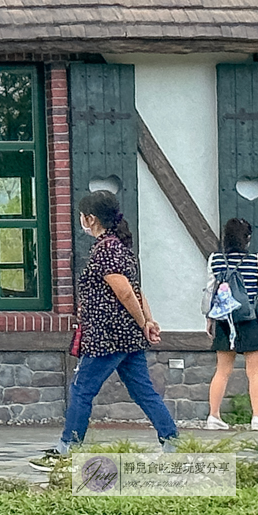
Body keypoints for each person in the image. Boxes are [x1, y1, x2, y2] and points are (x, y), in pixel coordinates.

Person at [32, 190, 179, 469]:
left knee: (81, 390)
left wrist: (143, 321)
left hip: (106, 335)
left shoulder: (105, 249)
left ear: (91, 218)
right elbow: (137, 290)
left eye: (82, 217)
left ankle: (67, 448)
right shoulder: (121, 247)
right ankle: (172, 439)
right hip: (126, 337)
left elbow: (124, 292)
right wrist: (147, 321)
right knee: (143, 390)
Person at [206, 216, 258, 431]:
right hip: (250, 320)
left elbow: (210, 290)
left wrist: (209, 319)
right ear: (247, 239)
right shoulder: (255, 261)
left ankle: (213, 416)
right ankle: (256, 417)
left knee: (222, 370)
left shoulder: (215, 259)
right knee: (254, 372)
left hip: (224, 319)